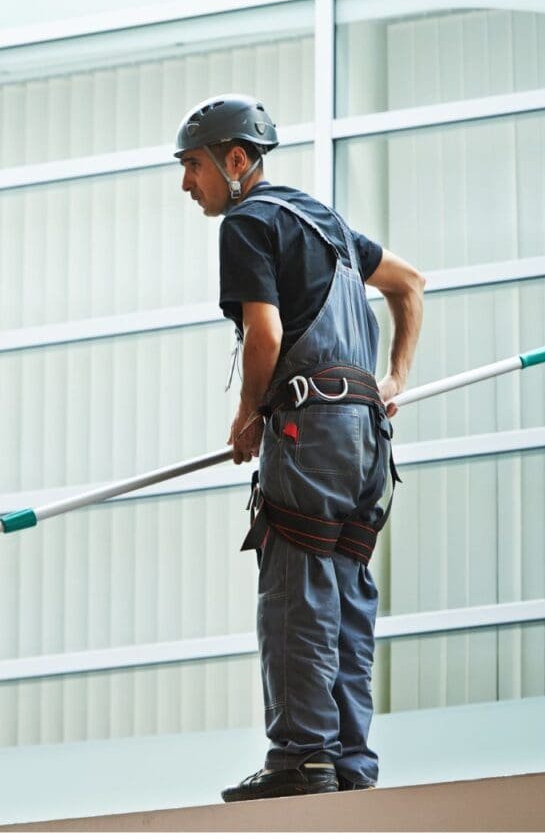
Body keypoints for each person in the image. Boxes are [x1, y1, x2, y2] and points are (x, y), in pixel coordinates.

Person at [176, 93, 425, 802]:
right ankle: (347, 760)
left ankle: (300, 759)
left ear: (234, 160)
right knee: (344, 590)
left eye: (192, 165)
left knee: (297, 588)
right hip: (366, 441)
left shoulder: (248, 223)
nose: (185, 183)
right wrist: (392, 380)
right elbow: (408, 284)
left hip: (308, 431)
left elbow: (265, 335)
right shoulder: (327, 225)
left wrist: (248, 414)